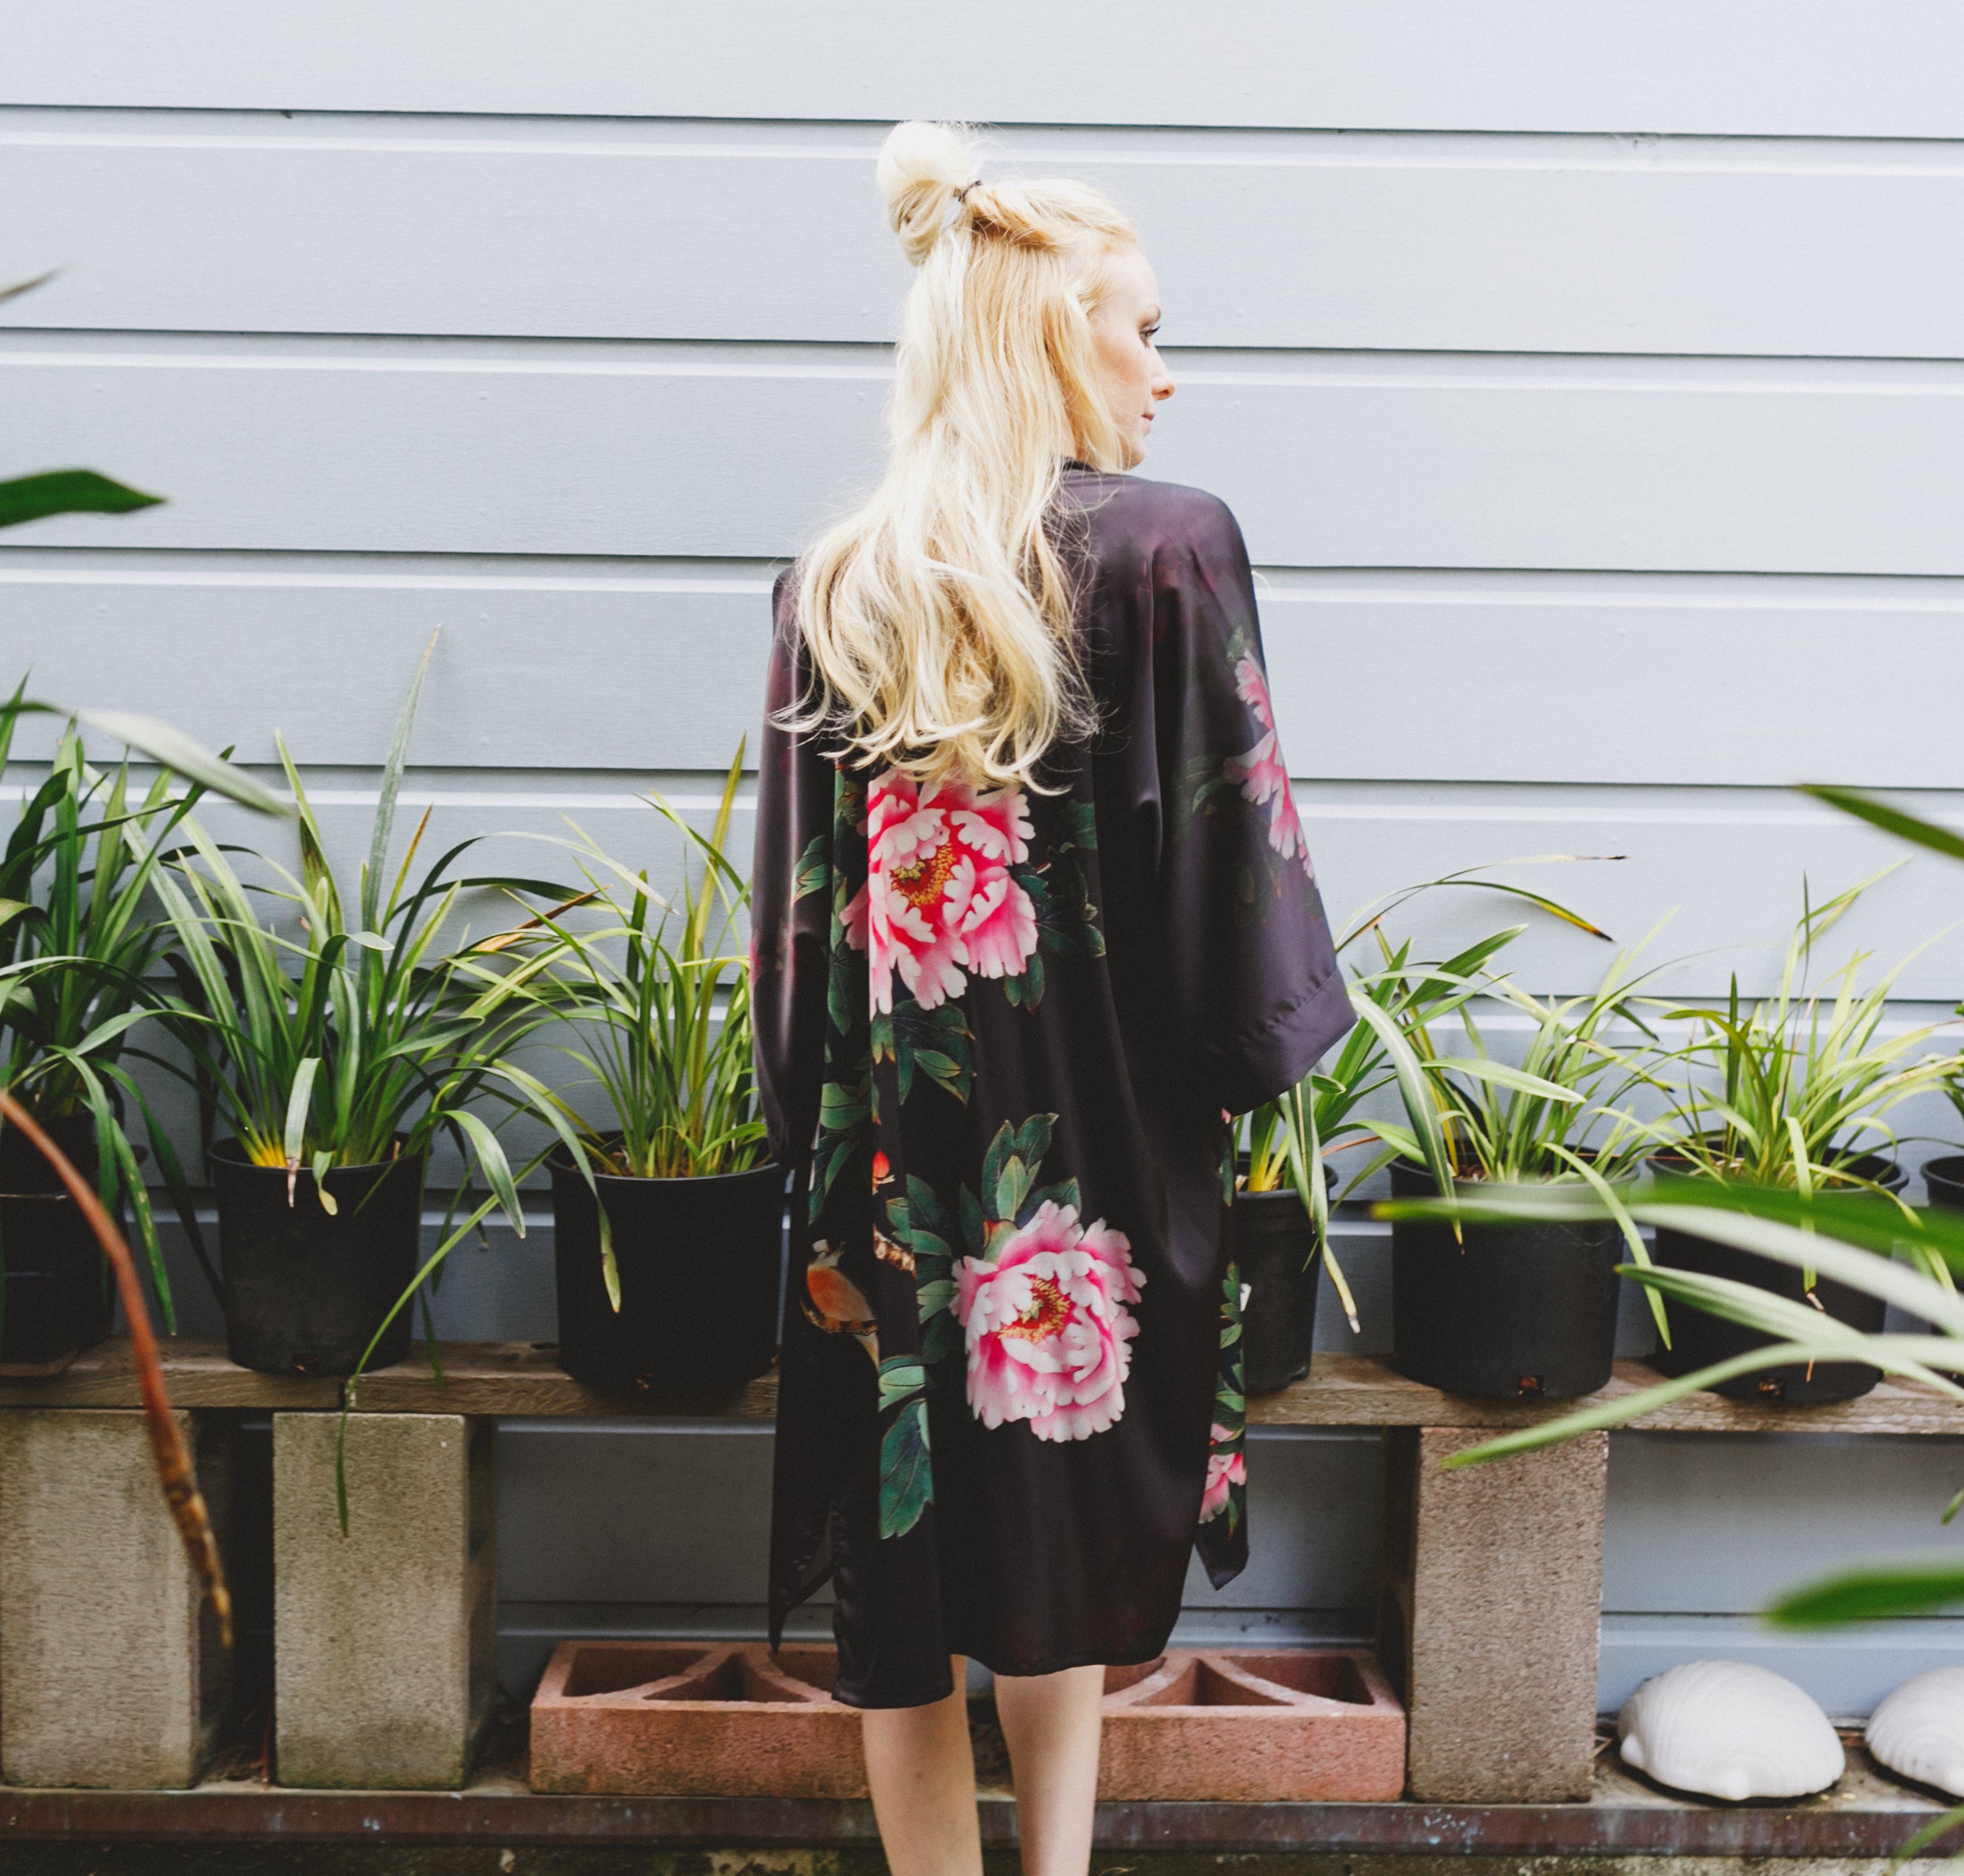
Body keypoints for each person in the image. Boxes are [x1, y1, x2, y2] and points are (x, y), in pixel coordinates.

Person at [752, 119, 1353, 1876]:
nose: (1163, 375)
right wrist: (1247, 1076)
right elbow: (1231, 878)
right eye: (1141, 329)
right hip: (1091, 1171)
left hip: (886, 1173)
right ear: (1047, 335)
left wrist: (813, 1145)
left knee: (911, 1543)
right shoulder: (1169, 551)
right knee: (1066, 1525)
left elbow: (799, 925)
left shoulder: (831, 587)